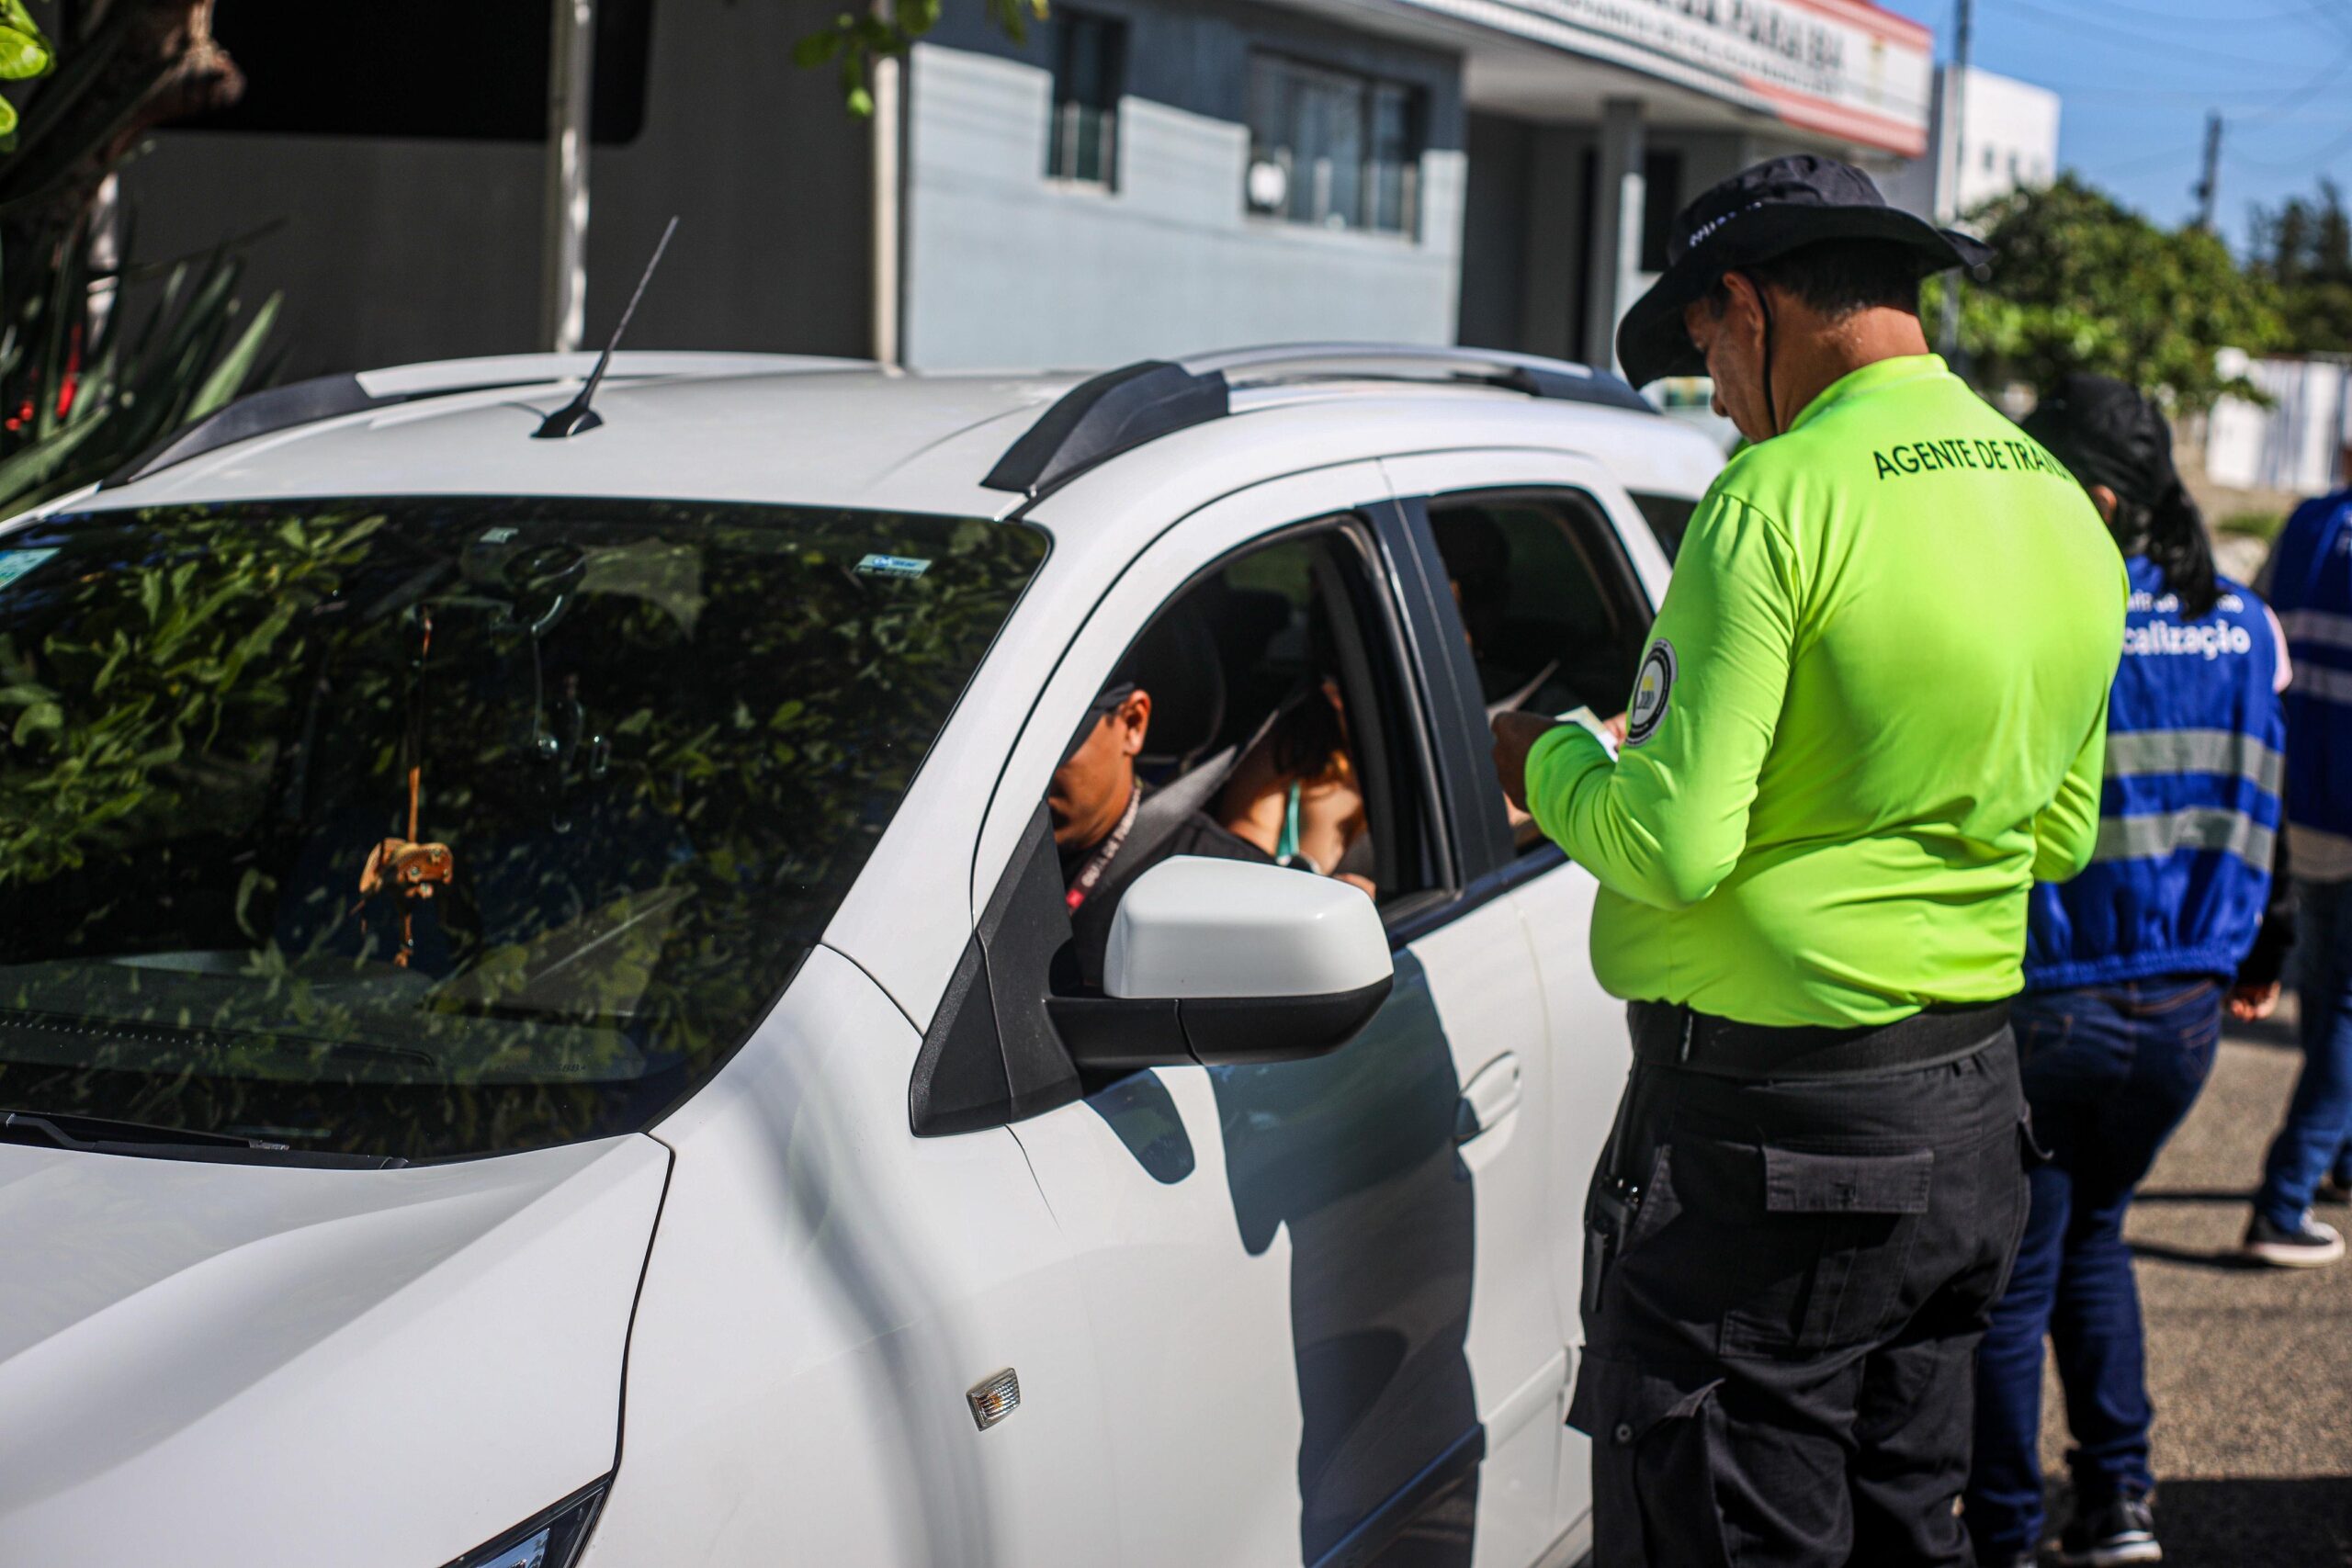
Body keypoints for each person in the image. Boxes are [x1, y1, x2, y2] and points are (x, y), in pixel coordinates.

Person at [1488, 155, 2126, 1567]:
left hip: (1775, 1149)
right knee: (1911, 1524)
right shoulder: (2062, 509)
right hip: (1970, 1122)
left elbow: (1666, 836)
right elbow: (2060, 834)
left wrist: (1540, 754)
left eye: (1707, 348)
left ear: (1749, 301)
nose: (1713, 390)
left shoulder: (1775, 496)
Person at [1963, 375, 2290, 1568]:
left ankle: (2001, 1526)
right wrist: (2265, 948)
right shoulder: (2246, 622)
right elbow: (2271, 792)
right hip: (2191, 1006)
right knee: (2094, 1230)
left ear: (2095, 494)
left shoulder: (2060, 606)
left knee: (2015, 1270)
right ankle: (2120, 1505)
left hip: (2057, 995)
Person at [1050, 675, 1368, 989]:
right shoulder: (1001, 841)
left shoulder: (1216, 872)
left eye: (1057, 745)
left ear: (1133, 723)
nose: (1027, 779)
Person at [2245, 468, 2352, 1265]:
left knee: (2327, 985)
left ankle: (2341, 1156)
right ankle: (2285, 1195)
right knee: (2345, 1004)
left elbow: (2261, 628)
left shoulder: (2311, 523)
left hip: (2304, 795)